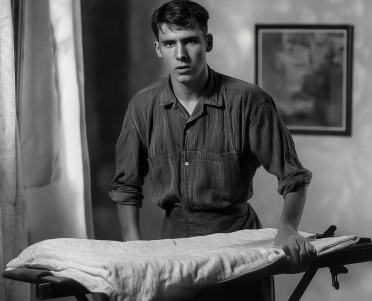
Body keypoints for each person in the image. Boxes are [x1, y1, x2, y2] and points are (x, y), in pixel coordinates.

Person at [109, 1, 315, 300]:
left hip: (239, 243)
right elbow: (125, 187)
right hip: (174, 247)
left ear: (208, 42)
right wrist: (132, 244)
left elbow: (293, 177)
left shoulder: (249, 101)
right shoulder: (142, 106)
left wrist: (287, 229)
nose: (180, 54)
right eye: (169, 43)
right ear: (158, 48)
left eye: (190, 40)